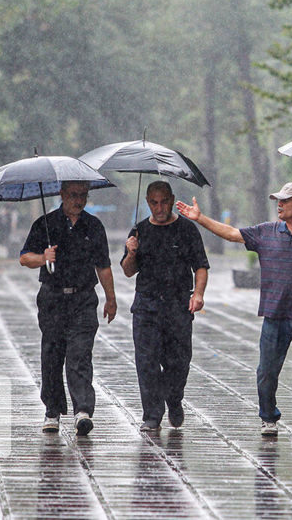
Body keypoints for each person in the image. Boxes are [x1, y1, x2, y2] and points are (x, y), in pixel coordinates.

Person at [176, 181, 292, 442]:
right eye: (278, 200)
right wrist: (200, 218)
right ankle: (268, 417)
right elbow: (231, 234)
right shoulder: (266, 232)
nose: (279, 205)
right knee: (267, 372)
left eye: (285, 200)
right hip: (275, 315)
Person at [19, 180, 117, 436]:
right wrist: (43, 258)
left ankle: (82, 410)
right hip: (52, 299)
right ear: (62, 195)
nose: (79, 200)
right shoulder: (45, 224)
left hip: (83, 299)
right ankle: (52, 410)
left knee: (80, 354)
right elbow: (24, 258)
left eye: (83, 195)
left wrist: (111, 298)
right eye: (73, 195)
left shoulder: (93, 226)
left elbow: (103, 265)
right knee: (52, 355)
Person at [121, 180, 209, 431]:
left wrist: (198, 294)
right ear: (148, 202)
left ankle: (174, 398)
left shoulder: (187, 230)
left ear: (171, 199)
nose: (159, 207)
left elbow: (200, 266)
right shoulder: (138, 231)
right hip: (146, 306)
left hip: (178, 306)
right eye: (154, 202)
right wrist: (131, 253)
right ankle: (152, 414)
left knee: (178, 361)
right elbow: (128, 271)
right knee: (146, 361)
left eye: (164, 201)